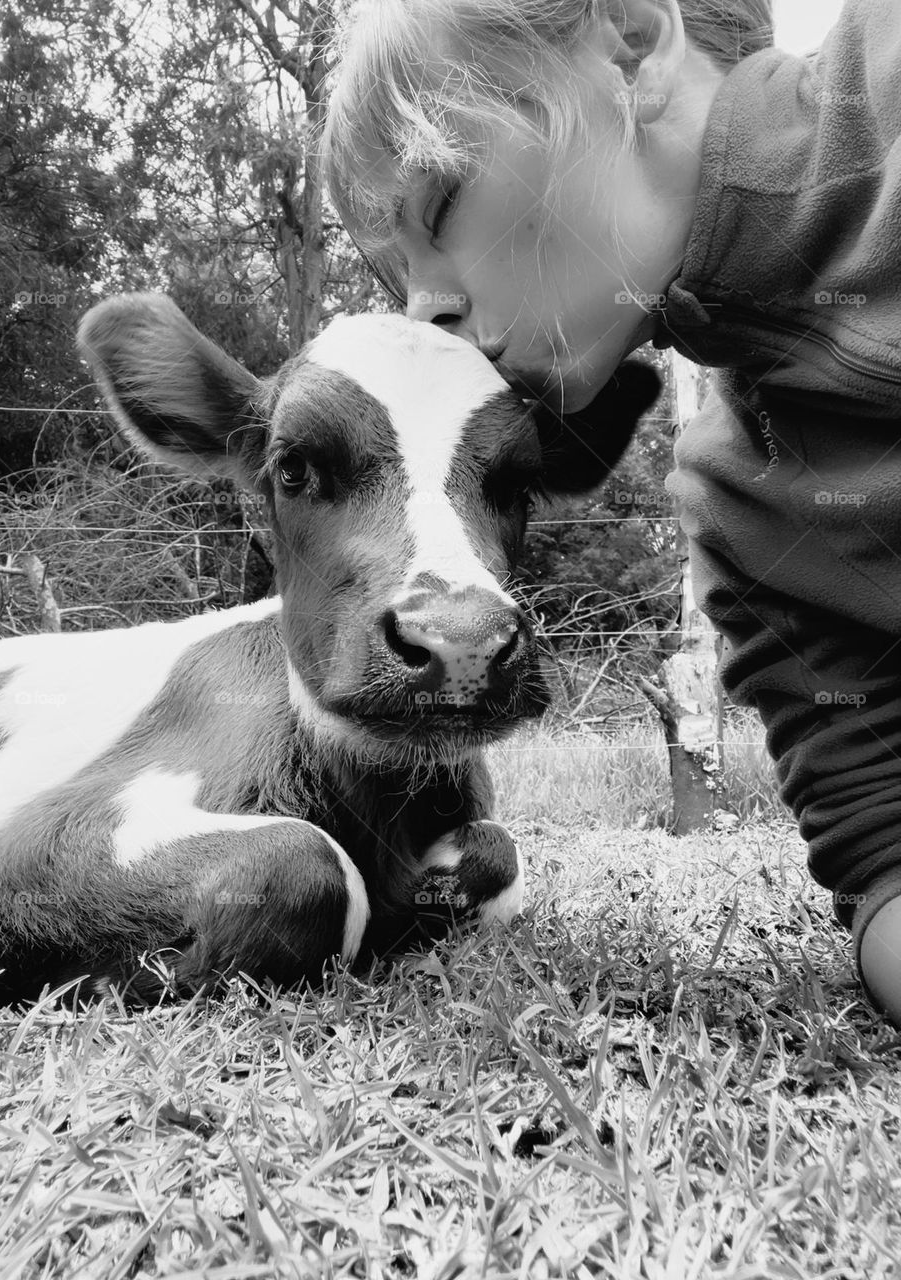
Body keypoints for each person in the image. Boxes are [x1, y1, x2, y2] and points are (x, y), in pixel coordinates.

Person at [320, 0, 901, 1025]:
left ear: (630, 38)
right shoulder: (745, 509)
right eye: (391, 273)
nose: (422, 308)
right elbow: (886, 847)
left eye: (443, 203)